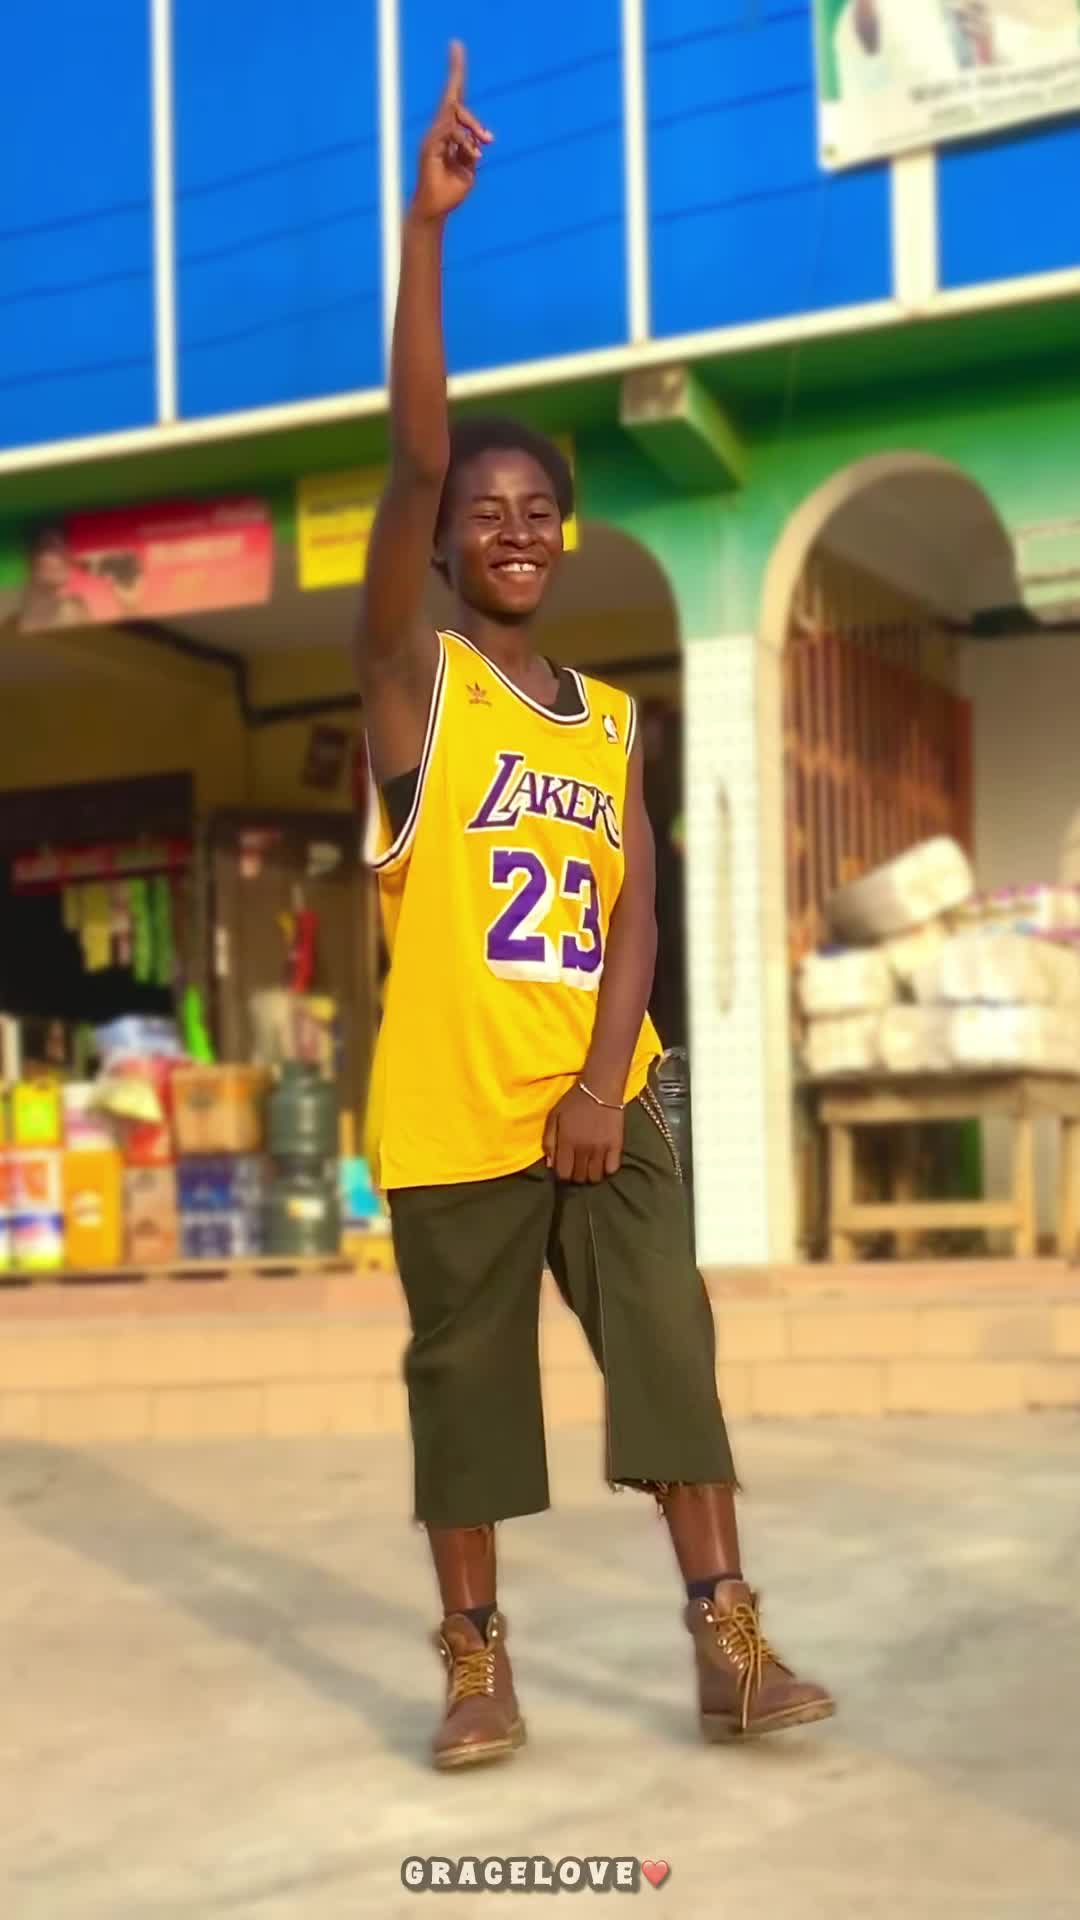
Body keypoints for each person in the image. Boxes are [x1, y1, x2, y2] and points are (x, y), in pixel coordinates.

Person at [356, 42, 834, 1772]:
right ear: (444, 545)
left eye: (538, 513)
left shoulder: (613, 719)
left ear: (563, 539)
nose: (511, 529)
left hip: (600, 1097)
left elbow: (635, 913)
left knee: (671, 1350)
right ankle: (477, 1666)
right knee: (465, 1394)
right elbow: (414, 453)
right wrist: (427, 234)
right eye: (483, 514)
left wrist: (599, 1081)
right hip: (450, 1115)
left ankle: (729, 1643)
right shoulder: (415, 687)